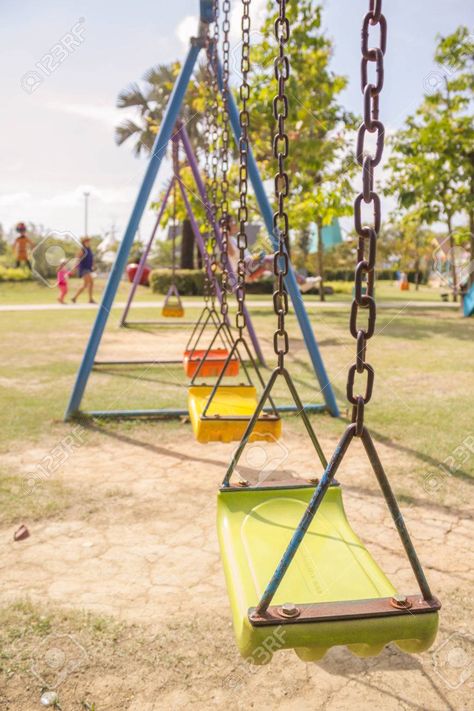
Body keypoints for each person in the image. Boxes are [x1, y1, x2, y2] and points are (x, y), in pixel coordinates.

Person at [71, 237, 96, 303]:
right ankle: (90, 299)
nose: (89, 242)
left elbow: (91, 258)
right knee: (90, 283)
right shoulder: (83, 250)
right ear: (84, 242)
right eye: (87, 241)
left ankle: (74, 298)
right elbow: (77, 259)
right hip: (84, 269)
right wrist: (74, 267)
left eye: (89, 241)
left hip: (88, 269)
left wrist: (93, 265)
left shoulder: (89, 249)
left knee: (87, 284)